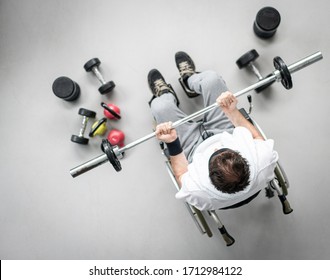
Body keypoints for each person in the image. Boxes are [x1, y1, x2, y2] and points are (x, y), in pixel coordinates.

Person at [148, 51, 278, 211]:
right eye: (223, 152)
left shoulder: (198, 191)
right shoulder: (263, 159)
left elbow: (181, 173)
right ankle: (189, 80)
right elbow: (256, 136)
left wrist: (172, 143)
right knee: (212, 80)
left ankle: (166, 94)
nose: (215, 148)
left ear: (208, 176)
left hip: (192, 151)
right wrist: (232, 111)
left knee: (160, 107)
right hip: (225, 132)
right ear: (244, 160)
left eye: (215, 153)